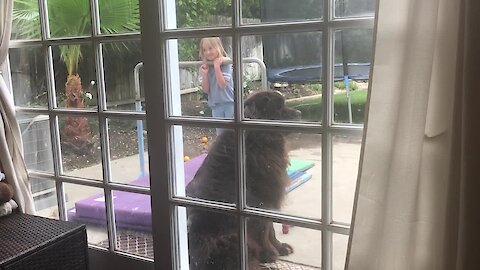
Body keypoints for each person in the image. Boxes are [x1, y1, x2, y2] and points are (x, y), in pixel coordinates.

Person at [199, 37, 234, 128]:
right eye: (204, 50)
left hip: (230, 103)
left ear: (218, 47)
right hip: (215, 105)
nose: (208, 52)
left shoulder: (226, 62)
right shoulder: (206, 66)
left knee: (231, 133)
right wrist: (205, 74)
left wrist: (217, 67)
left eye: (210, 48)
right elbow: (206, 90)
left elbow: (222, 85)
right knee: (220, 135)